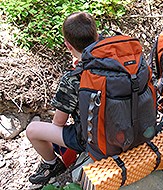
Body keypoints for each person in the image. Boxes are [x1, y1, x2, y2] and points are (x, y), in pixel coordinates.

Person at [26, 12, 98, 184]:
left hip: (95, 138)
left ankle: (51, 164)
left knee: (32, 130)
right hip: (127, 123)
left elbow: (59, 122)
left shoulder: (72, 78)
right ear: (97, 35)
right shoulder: (117, 57)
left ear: (67, 45)